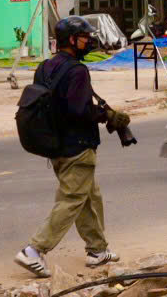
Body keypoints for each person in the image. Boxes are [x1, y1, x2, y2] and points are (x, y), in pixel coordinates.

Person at [14, 16, 130, 278]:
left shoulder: (45, 67)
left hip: (56, 145)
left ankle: (98, 251)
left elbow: (56, 105)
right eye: (84, 37)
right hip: (77, 147)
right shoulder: (77, 71)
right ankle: (34, 250)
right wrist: (108, 116)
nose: (89, 40)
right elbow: (79, 110)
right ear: (71, 40)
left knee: (89, 196)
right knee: (72, 199)